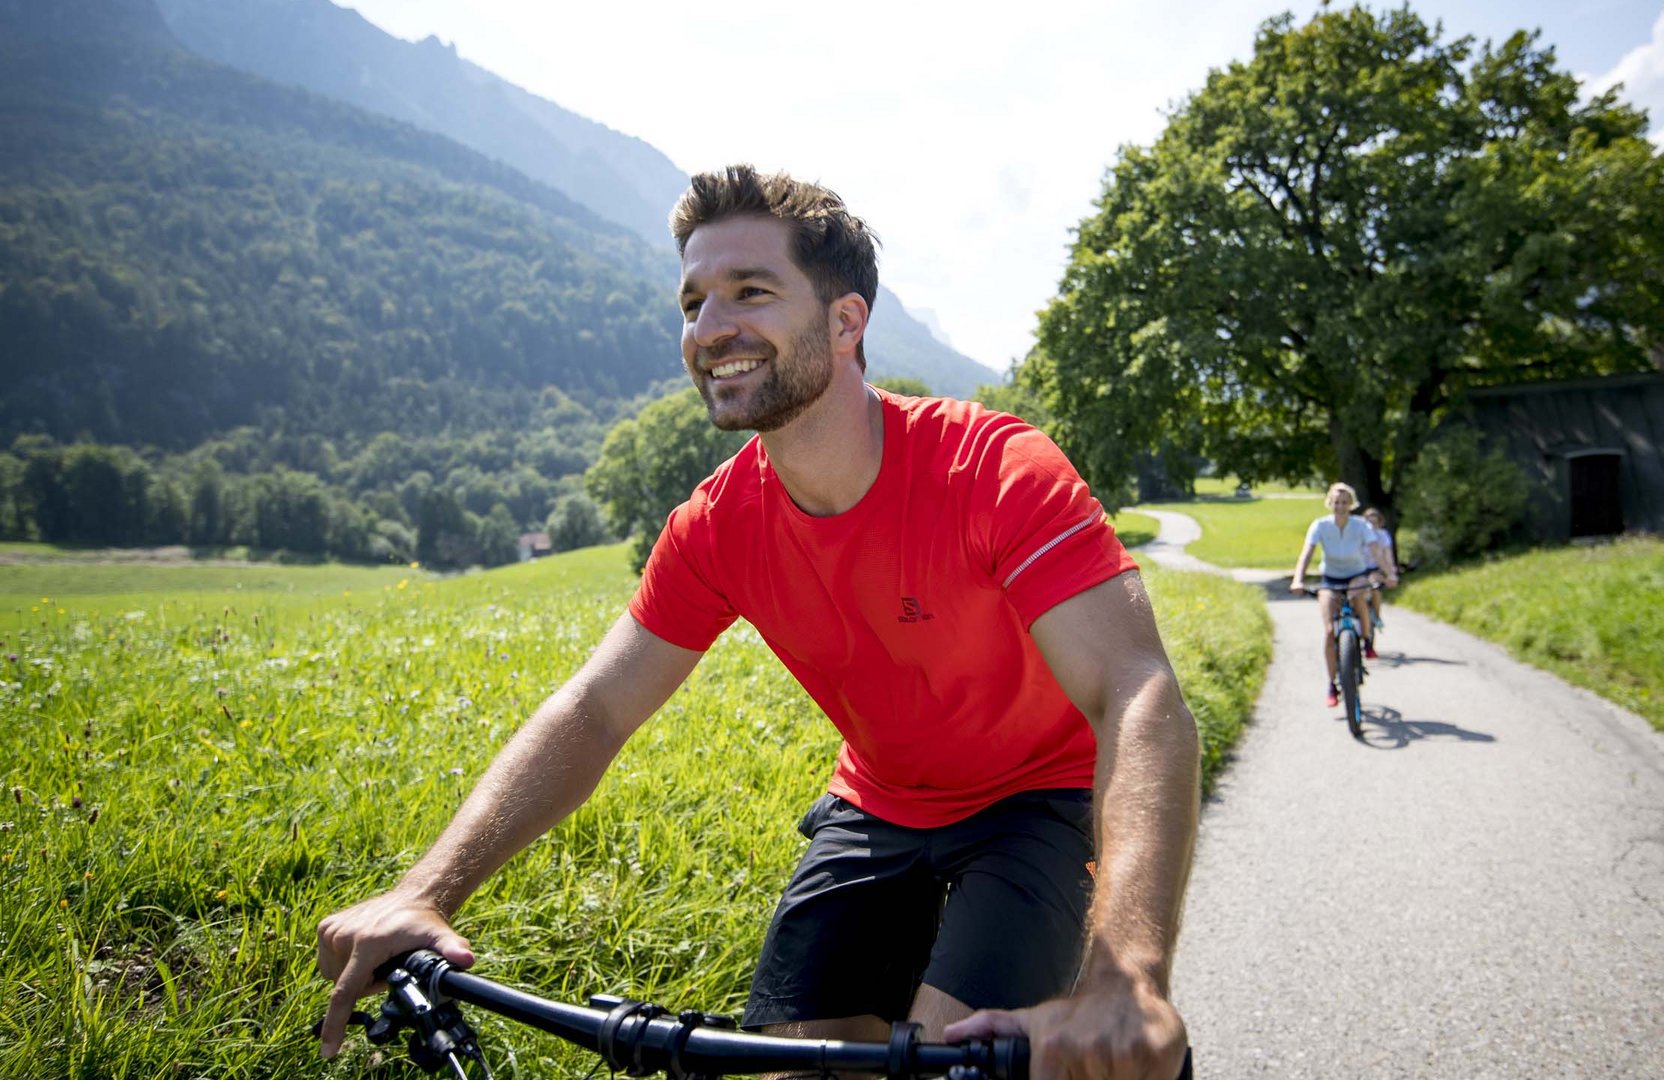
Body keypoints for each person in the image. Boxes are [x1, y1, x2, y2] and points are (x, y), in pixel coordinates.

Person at [314, 165, 1197, 1080]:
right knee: (784, 1068)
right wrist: (425, 892)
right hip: (880, 803)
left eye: (751, 292)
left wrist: (1127, 975)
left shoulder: (992, 469)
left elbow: (1136, 692)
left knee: (947, 1062)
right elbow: (596, 710)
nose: (711, 328)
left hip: (1040, 796)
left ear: (846, 322)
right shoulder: (717, 525)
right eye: (694, 302)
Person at [1289, 482, 1396, 707]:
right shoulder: (1320, 525)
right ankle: (1332, 684)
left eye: (1345, 502)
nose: (1341, 506)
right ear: (1330, 503)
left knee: (1358, 595)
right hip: (1330, 578)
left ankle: (1366, 640)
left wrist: (1389, 574)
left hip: (1355, 574)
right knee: (1329, 631)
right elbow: (1306, 554)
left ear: (1351, 504)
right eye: (1337, 502)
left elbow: (1376, 552)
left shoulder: (1361, 526)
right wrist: (1298, 579)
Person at [1358, 506, 1396, 647]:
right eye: (1369, 522)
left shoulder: (1383, 536)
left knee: (1374, 586)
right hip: (1360, 569)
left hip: (1375, 568)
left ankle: (1377, 616)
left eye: (1375, 523)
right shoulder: (1359, 535)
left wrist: (1390, 571)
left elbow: (1387, 554)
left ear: (1380, 524)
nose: (1371, 526)